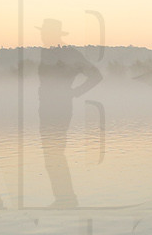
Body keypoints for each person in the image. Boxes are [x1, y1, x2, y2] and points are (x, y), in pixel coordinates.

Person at [35, 19, 102, 208]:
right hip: (46, 107)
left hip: (59, 108)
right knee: (51, 154)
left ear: (54, 34)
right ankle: (63, 198)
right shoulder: (46, 52)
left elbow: (96, 75)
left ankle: (66, 199)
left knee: (54, 153)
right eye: (42, 32)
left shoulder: (69, 53)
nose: (42, 36)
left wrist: (75, 92)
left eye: (45, 32)